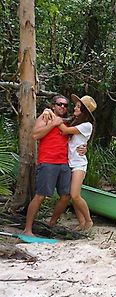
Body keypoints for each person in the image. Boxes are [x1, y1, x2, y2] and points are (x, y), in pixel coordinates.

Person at [23, 95, 72, 236]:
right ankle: (28, 229)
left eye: (65, 105)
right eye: (59, 104)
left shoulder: (67, 122)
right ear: (53, 105)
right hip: (48, 162)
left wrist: (84, 147)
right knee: (40, 196)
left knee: (66, 195)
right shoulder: (45, 117)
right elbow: (35, 135)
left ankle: (51, 224)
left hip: (64, 163)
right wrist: (53, 124)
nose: (62, 107)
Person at [55, 94, 97, 230]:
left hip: (79, 164)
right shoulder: (76, 122)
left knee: (75, 194)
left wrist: (53, 117)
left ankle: (88, 220)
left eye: (78, 107)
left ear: (84, 111)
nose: (75, 108)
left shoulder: (87, 125)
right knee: (73, 196)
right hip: (70, 162)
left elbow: (65, 130)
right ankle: (81, 222)